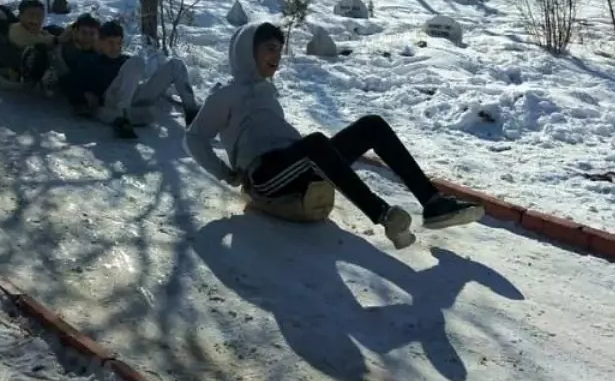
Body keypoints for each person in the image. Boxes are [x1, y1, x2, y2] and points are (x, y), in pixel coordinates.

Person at [184, 21, 484, 249]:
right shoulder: (226, 95)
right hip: (263, 177)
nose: (276, 56)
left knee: (372, 124)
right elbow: (194, 137)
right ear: (247, 51)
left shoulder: (268, 93)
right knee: (315, 142)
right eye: (269, 48)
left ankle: (433, 203)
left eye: (279, 48)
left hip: (295, 166)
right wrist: (225, 173)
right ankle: (384, 215)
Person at [72, 20, 201, 139]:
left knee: (175, 64)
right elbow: (75, 83)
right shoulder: (92, 60)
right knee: (136, 62)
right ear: (100, 42)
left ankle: (192, 113)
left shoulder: (124, 60)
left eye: (118, 43)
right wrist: (84, 97)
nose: (115, 47)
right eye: (110, 43)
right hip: (111, 101)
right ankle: (123, 116)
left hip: (134, 96)